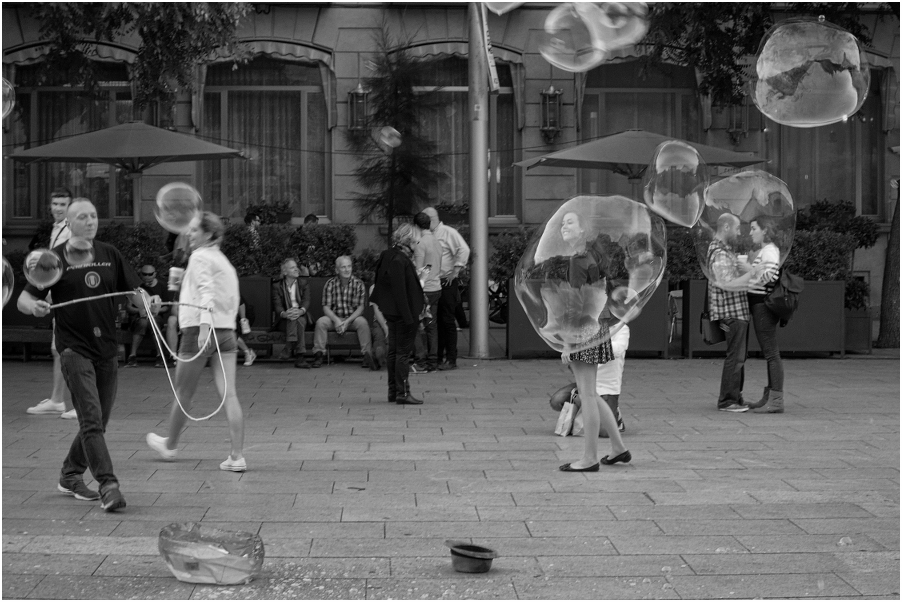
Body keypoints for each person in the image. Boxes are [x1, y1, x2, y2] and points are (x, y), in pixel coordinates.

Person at [17, 198, 147, 511]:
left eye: (93, 215)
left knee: (98, 421)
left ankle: (69, 475)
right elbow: (23, 298)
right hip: (74, 348)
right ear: (69, 223)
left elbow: (134, 292)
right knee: (91, 418)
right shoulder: (53, 259)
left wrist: (146, 300)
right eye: (82, 217)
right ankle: (108, 485)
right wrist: (33, 306)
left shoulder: (108, 253)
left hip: (106, 348)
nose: (90, 221)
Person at [146, 212, 247, 472]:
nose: (188, 234)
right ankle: (237, 456)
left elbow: (206, 292)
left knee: (183, 393)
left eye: (193, 230)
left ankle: (170, 445)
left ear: (209, 234)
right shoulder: (223, 261)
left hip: (199, 331)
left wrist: (203, 327)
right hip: (226, 332)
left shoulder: (200, 256)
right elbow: (226, 298)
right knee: (230, 393)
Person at [555, 210, 630, 472]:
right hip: (595, 328)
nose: (564, 225)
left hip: (583, 331)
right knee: (591, 393)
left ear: (583, 230)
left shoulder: (578, 261)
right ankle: (619, 448)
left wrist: (567, 342)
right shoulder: (590, 257)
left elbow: (576, 305)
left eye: (570, 222)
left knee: (586, 394)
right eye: (563, 222)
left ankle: (589, 458)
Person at [26, 188, 77, 419]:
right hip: (57, 297)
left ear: (70, 207)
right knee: (58, 349)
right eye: (54, 203)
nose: (57, 208)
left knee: (72, 349)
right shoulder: (58, 228)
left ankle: (80, 403)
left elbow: (67, 264)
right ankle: (57, 399)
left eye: (62, 204)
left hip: (69, 298)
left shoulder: (71, 229)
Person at [706, 213, 763, 413]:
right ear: (727, 228)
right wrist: (752, 273)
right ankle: (727, 401)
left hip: (736, 311)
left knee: (739, 357)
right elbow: (727, 284)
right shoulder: (719, 252)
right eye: (738, 228)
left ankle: (736, 398)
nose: (740, 233)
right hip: (732, 311)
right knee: (735, 357)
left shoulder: (724, 250)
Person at [370, 224, 425, 404]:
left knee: (394, 352)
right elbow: (400, 291)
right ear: (408, 241)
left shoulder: (389, 255)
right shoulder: (399, 260)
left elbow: (382, 283)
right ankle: (402, 392)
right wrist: (410, 318)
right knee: (402, 353)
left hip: (392, 312)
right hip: (402, 314)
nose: (417, 246)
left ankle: (394, 391)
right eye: (416, 242)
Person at [550, 323, 630, 436]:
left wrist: (589, 345)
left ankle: (614, 414)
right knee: (557, 401)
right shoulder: (588, 327)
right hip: (587, 383)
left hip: (607, 388)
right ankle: (581, 400)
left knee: (605, 432)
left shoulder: (622, 329)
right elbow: (573, 363)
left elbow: (618, 349)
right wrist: (568, 352)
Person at [738, 216, 784, 413]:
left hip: (763, 306)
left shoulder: (770, 251)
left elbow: (770, 277)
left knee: (772, 353)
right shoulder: (765, 251)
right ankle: (770, 396)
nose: (750, 232)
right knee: (769, 353)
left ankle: (776, 400)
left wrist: (749, 269)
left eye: (754, 228)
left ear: (765, 230)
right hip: (759, 305)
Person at [422, 207, 469, 371]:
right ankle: (439, 356)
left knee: (447, 320)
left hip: (446, 281)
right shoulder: (428, 235)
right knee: (436, 321)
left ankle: (451, 358)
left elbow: (464, 249)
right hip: (434, 281)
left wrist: (456, 271)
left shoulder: (448, 232)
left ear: (432, 219)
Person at [311, 256, 372, 369]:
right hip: (334, 318)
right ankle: (319, 354)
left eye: (349, 266)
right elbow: (326, 308)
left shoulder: (358, 284)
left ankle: (367, 355)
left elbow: (360, 308)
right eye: (343, 267)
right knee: (321, 322)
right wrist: (337, 321)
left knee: (363, 323)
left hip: (352, 319)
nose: (347, 269)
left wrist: (347, 322)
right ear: (337, 270)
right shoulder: (330, 284)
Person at [123, 264, 178, 368]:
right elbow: (128, 307)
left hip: (156, 316)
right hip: (139, 317)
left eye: (150, 274)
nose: (147, 276)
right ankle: (132, 356)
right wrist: (139, 310)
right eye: (145, 274)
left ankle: (159, 356)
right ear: (141, 275)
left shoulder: (162, 286)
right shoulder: (137, 287)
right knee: (142, 322)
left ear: (155, 274)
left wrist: (155, 310)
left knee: (154, 322)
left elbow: (166, 307)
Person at [411, 211, 442, 373]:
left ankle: (420, 362)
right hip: (436, 287)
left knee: (416, 326)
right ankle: (433, 361)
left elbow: (419, 271)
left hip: (424, 290)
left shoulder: (421, 244)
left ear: (416, 226)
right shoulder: (437, 242)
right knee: (432, 326)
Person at [271, 257, 311, 368]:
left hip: (301, 315)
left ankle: (288, 347)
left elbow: (306, 301)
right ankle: (300, 357)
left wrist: (300, 311)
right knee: (296, 321)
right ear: (285, 272)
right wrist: (285, 314)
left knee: (298, 320)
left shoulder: (303, 283)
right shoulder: (277, 286)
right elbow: (277, 305)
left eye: (296, 267)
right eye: (292, 267)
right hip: (284, 320)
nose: (296, 269)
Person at [236, 296, 256, 366]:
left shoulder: (230, 290)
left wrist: (243, 320)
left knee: (230, 332)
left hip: (244, 317)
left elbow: (240, 303)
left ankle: (248, 352)